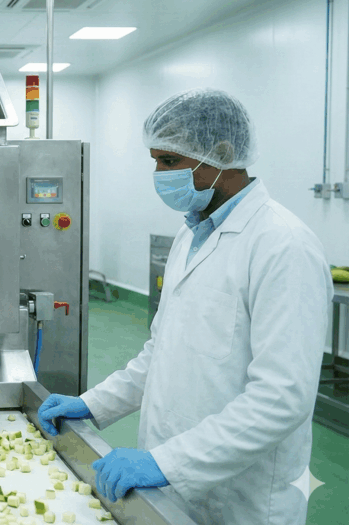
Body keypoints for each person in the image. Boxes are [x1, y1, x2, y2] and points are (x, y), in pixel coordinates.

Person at [38, 89, 332, 525]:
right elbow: (160, 352)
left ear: (223, 154)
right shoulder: (189, 236)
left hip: (241, 499)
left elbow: (281, 398)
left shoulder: (283, 246)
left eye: (170, 161)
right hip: (170, 479)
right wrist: (94, 403)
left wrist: (169, 463)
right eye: (156, 161)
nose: (159, 174)